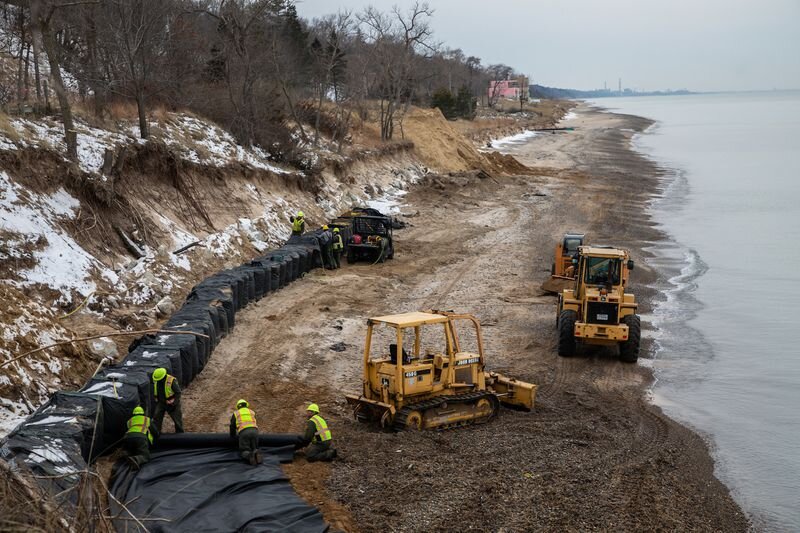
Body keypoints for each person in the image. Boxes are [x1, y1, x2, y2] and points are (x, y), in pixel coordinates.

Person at [123, 406, 158, 470]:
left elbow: (126, 430)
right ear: (143, 413)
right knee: (145, 456)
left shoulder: (129, 421)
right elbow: (155, 431)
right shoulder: (146, 419)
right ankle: (136, 459)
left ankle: (126, 453)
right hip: (140, 437)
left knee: (132, 450)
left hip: (127, 437)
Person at [229, 399, 261, 465]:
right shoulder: (252, 412)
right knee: (254, 447)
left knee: (244, 450)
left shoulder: (236, 413)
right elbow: (254, 421)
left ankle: (249, 455)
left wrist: (232, 436)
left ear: (238, 406)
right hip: (255, 431)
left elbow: (232, 426)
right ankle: (256, 452)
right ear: (246, 405)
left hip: (244, 432)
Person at [152, 367, 184, 433]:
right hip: (161, 403)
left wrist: (174, 402)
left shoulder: (171, 381)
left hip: (172, 403)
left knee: (177, 421)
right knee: (157, 418)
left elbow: (178, 392)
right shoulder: (157, 382)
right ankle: (156, 433)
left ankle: (180, 435)